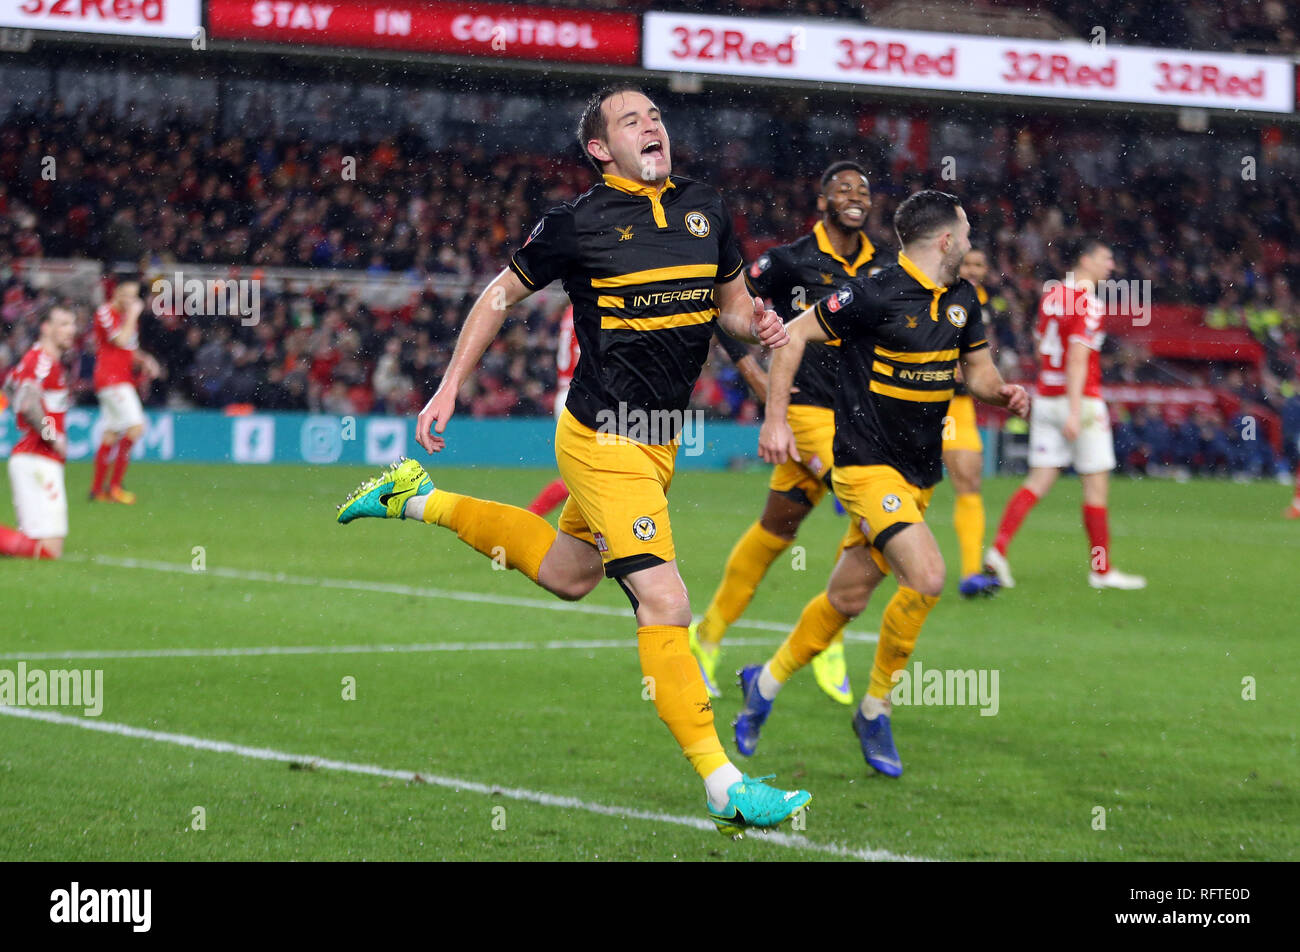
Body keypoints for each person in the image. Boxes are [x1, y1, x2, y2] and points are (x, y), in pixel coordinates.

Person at [336, 86, 810, 835]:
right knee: (666, 602)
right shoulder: (578, 223)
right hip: (600, 437)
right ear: (600, 150)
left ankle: (413, 498)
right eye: (631, 121)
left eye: (655, 115)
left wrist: (760, 325)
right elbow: (499, 295)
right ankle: (723, 785)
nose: (651, 126)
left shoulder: (706, 209)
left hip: (658, 441)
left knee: (568, 574)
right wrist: (450, 387)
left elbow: (729, 311)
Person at [736, 190, 1029, 777]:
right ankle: (875, 708)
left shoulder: (963, 299)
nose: (972, 242)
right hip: (865, 466)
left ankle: (762, 684)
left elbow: (978, 371)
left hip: (920, 474)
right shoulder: (871, 291)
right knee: (927, 576)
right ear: (945, 240)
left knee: (846, 599)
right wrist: (774, 418)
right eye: (966, 231)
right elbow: (791, 334)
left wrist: (1004, 392)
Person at [689, 160, 888, 706]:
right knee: (876, 517)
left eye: (863, 188)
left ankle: (705, 637)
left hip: (861, 415)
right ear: (823, 202)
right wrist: (748, 369)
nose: (855, 194)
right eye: (842, 187)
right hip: (806, 410)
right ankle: (827, 636)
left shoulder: (885, 266)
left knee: (776, 529)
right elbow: (718, 300)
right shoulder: (789, 261)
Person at [985, 239, 1147, 590]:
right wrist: (1075, 410)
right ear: (1086, 260)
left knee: (1037, 481)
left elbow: (1044, 344)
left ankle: (998, 550)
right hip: (1081, 402)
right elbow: (1077, 357)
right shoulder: (1088, 302)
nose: (1112, 267)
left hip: (1046, 396)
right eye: (1106, 259)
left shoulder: (1052, 296)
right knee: (1095, 488)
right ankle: (1101, 569)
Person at [944, 249, 1001, 598]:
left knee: (969, 480)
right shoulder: (933, 292)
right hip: (918, 397)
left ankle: (970, 573)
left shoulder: (985, 305)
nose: (973, 270)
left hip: (958, 404)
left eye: (980, 264)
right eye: (967, 263)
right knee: (906, 486)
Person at [2, 306, 76, 560]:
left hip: (33, 458)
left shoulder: (34, 358)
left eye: (72, 324)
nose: (71, 330)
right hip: (37, 457)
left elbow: (10, 389)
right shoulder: (42, 359)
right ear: (45, 327)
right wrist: (53, 437)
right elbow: (28, 404)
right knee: (48, 550)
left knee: (40, 548)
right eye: (63, 323)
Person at [89, 276, 160, 504]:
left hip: (120, 378)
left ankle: (97, 490)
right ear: (115, 293)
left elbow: (129, 348)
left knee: (111, 433)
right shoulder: (105, 312)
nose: (130, 301)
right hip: (111, 380)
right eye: (126, 295)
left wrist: (145, 359)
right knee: (136, 427)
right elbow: (120, 340)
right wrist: (132, 315)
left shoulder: (126, 318)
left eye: (133, 296)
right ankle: (115, 487)